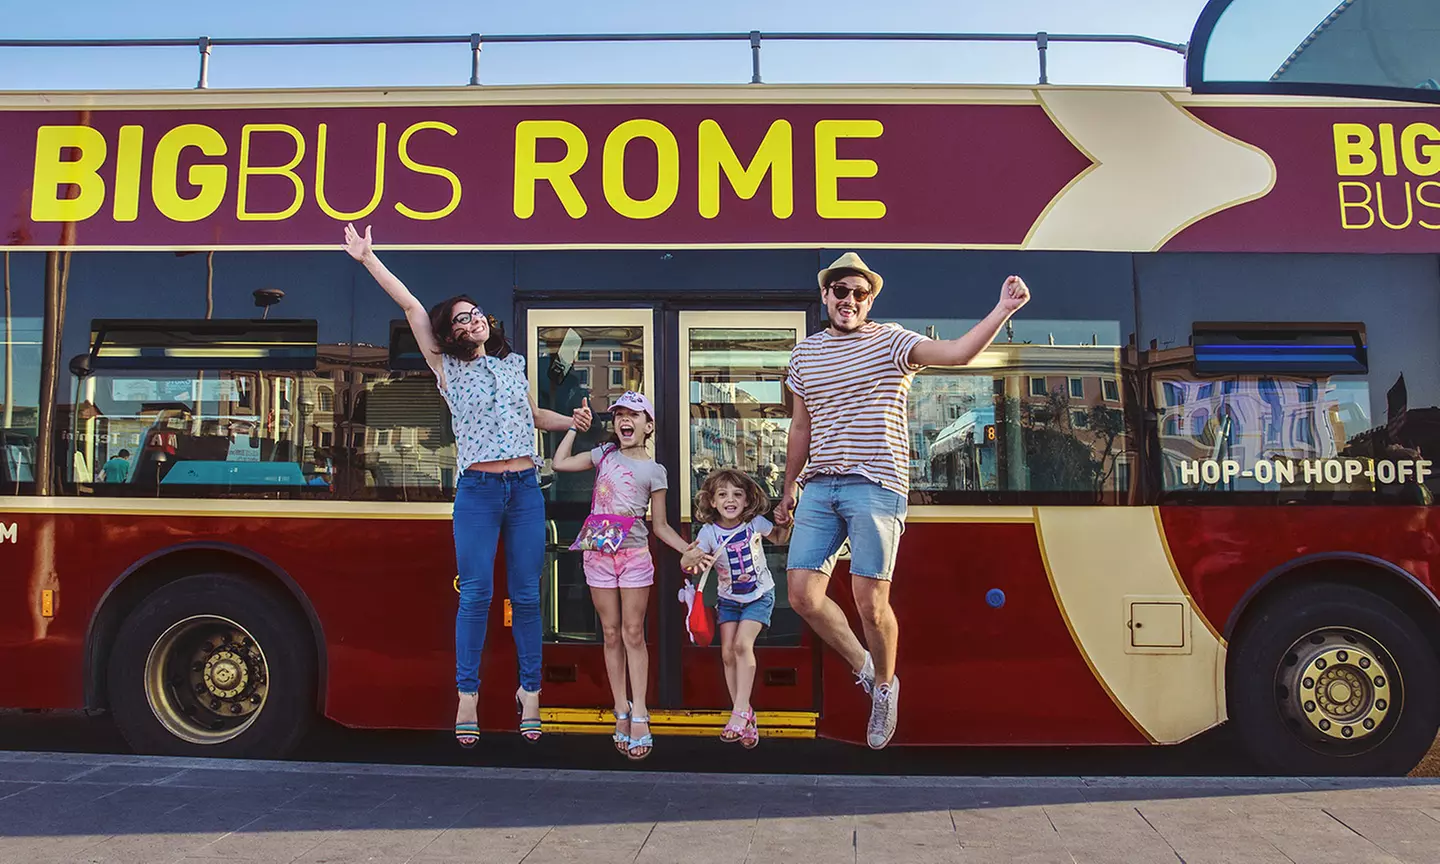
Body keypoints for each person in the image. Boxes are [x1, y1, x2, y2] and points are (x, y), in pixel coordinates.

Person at [342, 223, 593, 749]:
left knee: (527, 597)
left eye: (476, 312)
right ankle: (468, 697)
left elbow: (533, 416)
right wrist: (368, 259)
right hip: (478, 491)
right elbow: (412, 307)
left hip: (526, 488)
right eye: (462, 318)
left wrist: (572, 421)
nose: (473, 319)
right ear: (450, 334)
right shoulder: (448, 370)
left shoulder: (514, 366)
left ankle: (530, 694)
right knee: (476, 595)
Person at [775, 252, 1031, 749]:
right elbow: (801, 426)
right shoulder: (805, 355)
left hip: (876, 484)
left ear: (870, 300)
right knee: (803, 596)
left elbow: (957, 354)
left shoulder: (894, 340)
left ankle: (886, 689)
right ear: (826, 296)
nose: (849, 300)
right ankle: (869, 671)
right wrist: (789, 485)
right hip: (820, 485)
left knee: (871, 604)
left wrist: (1003, 309)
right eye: (840, 292)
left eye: (859, 294)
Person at [551, 391, 690, 760]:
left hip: (633, 557)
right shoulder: (604, 455)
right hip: (598, 554)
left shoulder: (655, 471)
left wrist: (686, 549)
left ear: (648, 426)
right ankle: (621, 709)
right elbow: (559, 463)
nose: (624, 421)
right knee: (610, 633)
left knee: (632, 633)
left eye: (633, 415)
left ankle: (641, 710)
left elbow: (659, 526)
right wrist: (573, 426)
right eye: (619, 416)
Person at [681, 469, 791, 748]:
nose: (730, 500)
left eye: (737, 495)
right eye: (723, 495)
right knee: (728, 654)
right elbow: (690, 563)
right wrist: (688, 558)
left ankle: (739, 712)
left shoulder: (754, 524)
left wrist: (785, 523)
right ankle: (745, 712)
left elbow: (779, 538)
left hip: (759, 596)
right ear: (712, 502)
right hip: (728, 600)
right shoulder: (708, 532)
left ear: (747, 501)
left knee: (743, 646)